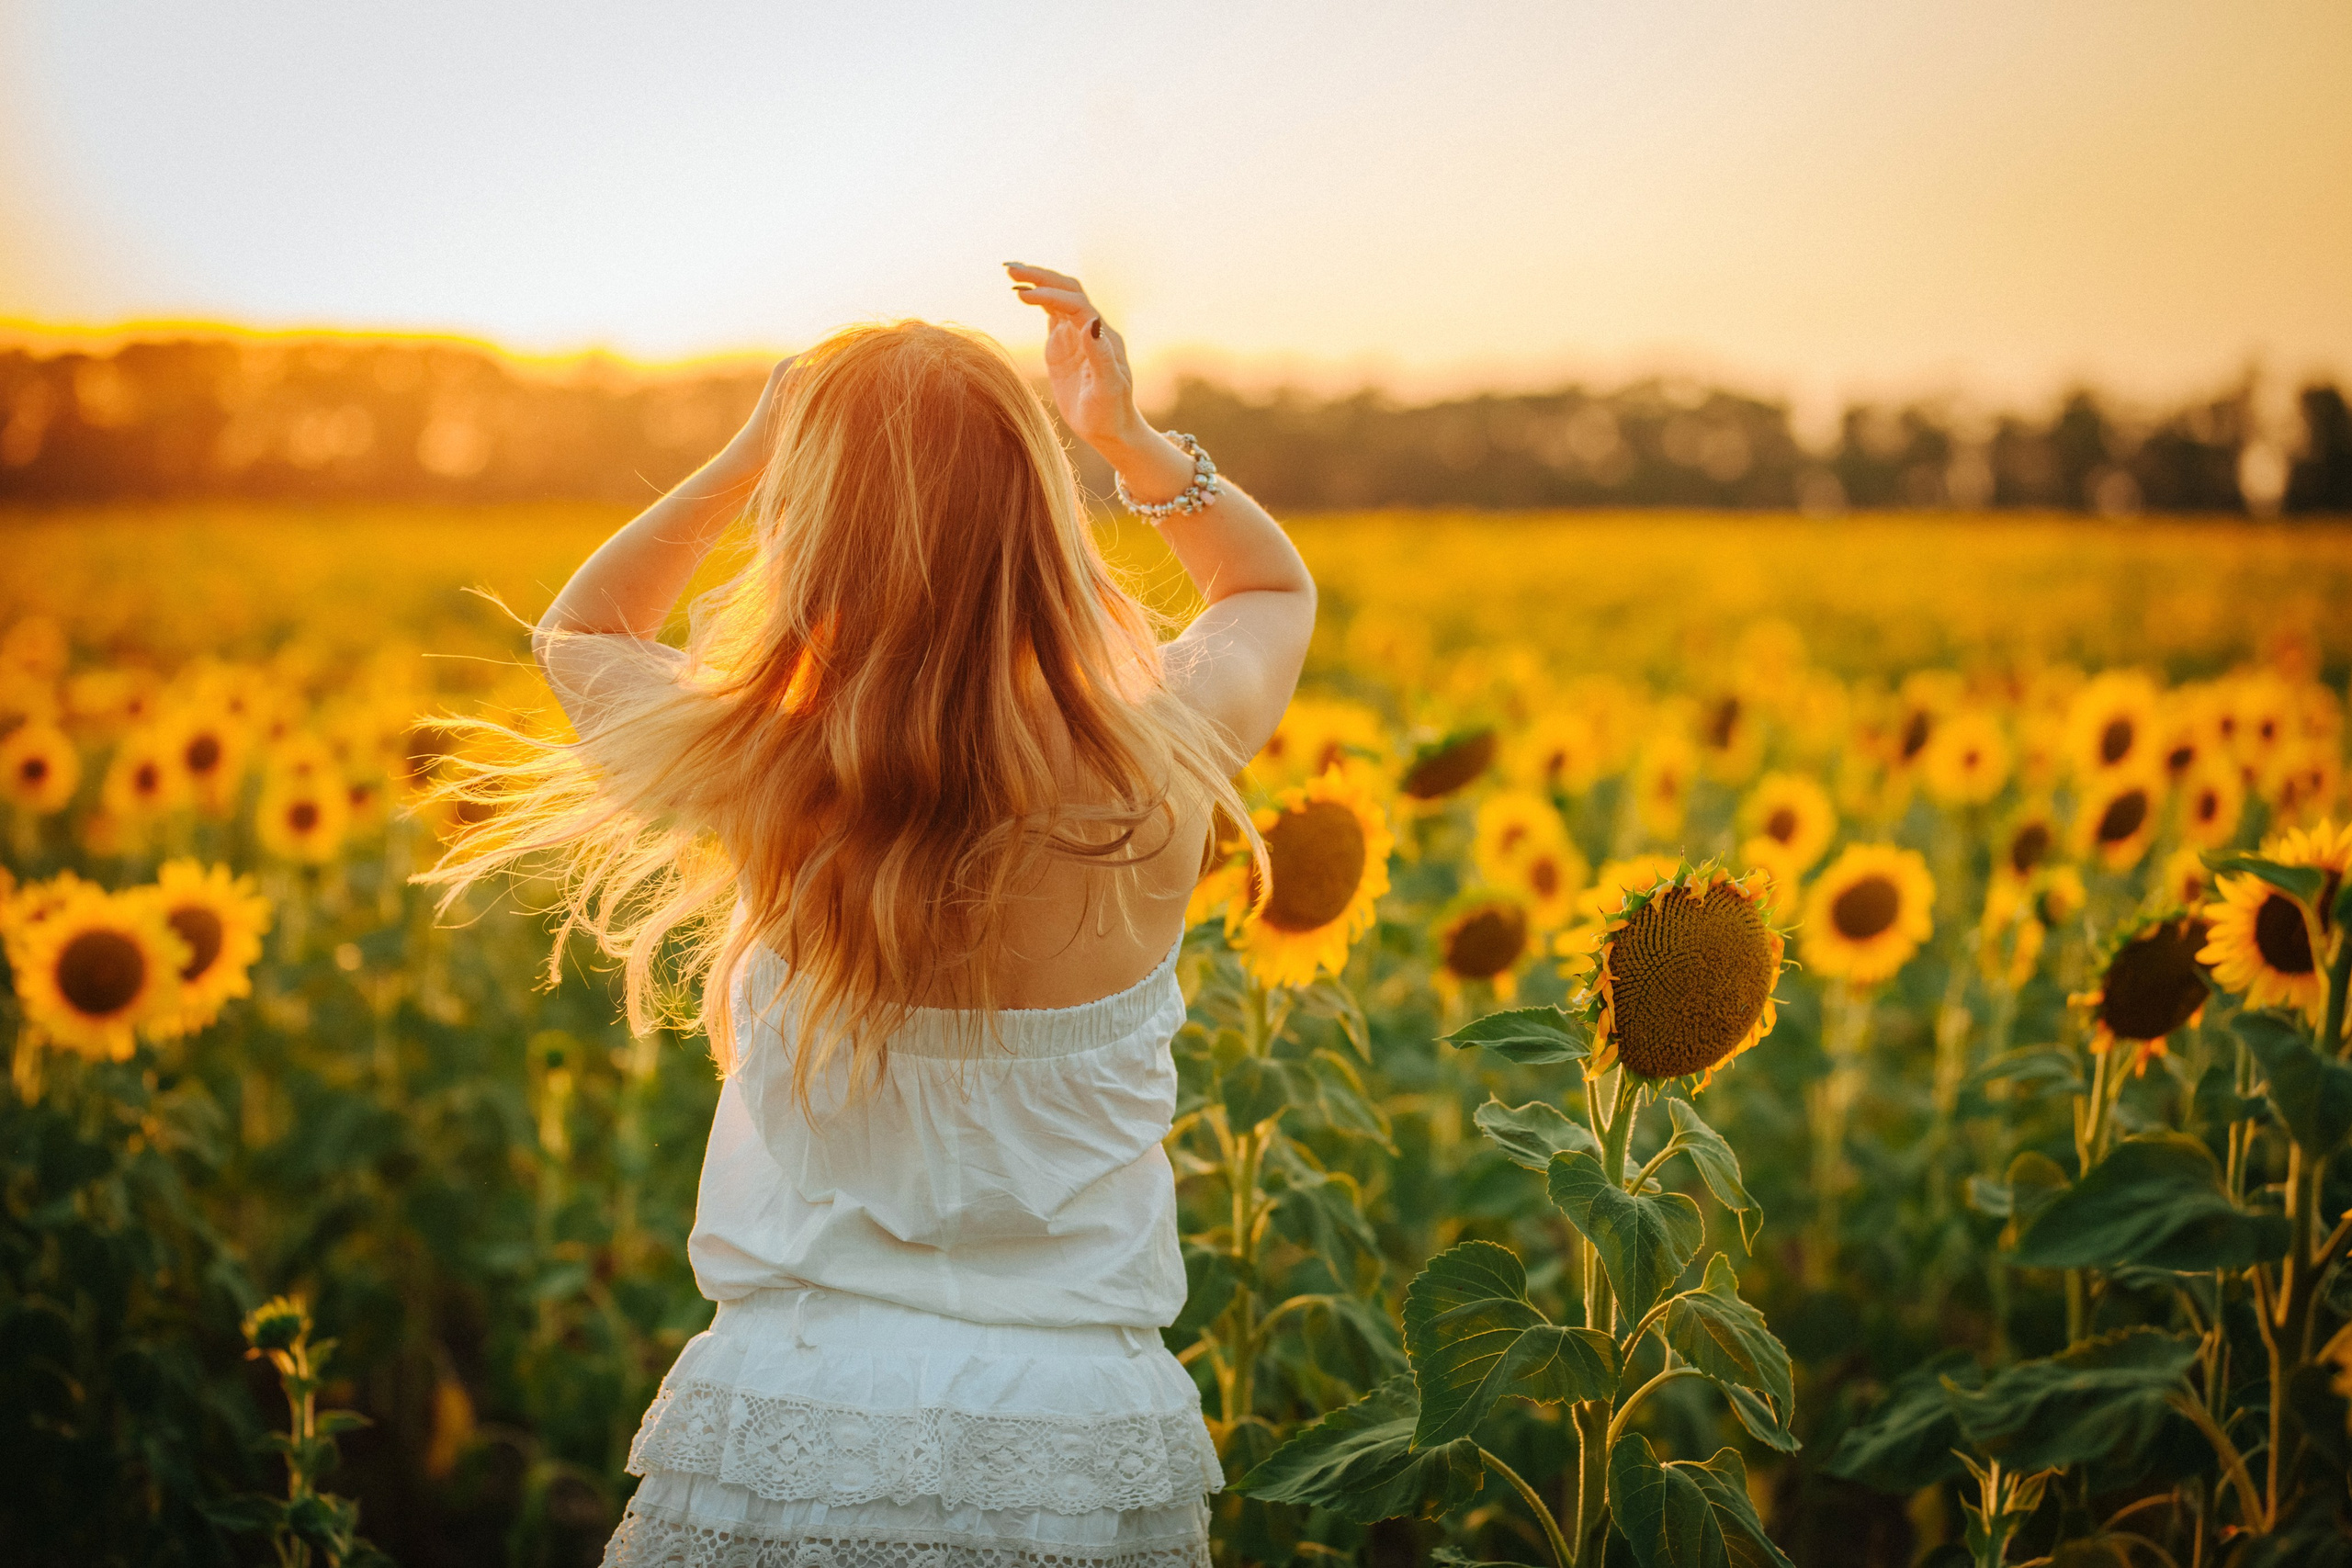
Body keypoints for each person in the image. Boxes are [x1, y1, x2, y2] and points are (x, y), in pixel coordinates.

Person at [413, 265, 1315, 1567]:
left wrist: (746, 452)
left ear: (809, 524)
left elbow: (581, 630)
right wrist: (1125, 436)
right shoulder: (1160, 766)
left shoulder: (768, 773)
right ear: (1040, 522)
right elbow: (1270, 594)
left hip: (784, 1421)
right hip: (1074, 1442)